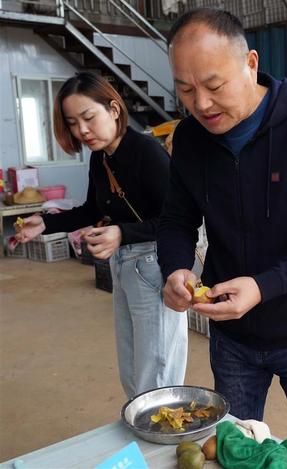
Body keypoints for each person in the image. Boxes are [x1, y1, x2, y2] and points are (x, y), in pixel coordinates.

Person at [158, 9, 287, 469]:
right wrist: (175, 267)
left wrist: (264, 285)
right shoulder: (189, 139)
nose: (202, 104)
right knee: (231, 453)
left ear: (250, 63)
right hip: (232, 337)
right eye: (186, 90)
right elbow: (176, 219)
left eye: (214, 85)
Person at [15, 72, 188, 399]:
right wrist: (45, 222)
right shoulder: (100, 158)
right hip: (124, 266)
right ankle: (142, 431)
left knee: (158, 371)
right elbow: (92, 210)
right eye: (72, 122)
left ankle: (160, 439)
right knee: (133, 367)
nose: (81, 130)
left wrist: (121, 232)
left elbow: (175, 221)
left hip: (156, 265)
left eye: (88, 117)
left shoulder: (147, 152)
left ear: (114, 109)